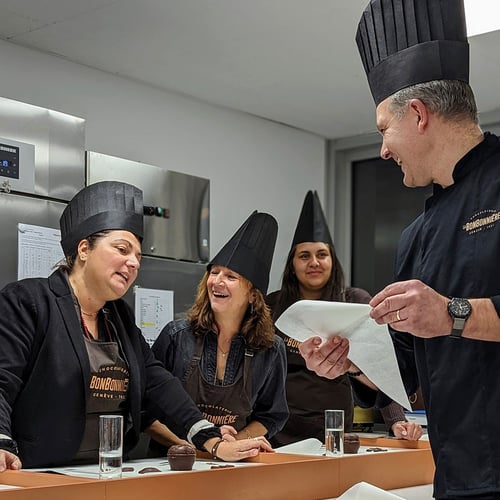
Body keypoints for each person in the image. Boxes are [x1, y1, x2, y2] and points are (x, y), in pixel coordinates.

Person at [300, 0, 500, 498]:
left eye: (383, 129)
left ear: (418, 114)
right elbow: (407, 368)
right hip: (458, 478)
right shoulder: (416, 236)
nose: (383, 150)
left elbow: (446, 318)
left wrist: (452, 314)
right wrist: (352, 362)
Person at [0, 181, 271, 472]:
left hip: (110, 469)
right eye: (122, 249)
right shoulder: (29, 301)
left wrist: (210, 437)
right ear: (84, 249)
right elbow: (3, 379)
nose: (133, 263)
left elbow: (157, 382)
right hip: (40, 471)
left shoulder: (119, 316)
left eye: (138, 257)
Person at [266, 190, 422, 447]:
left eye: (321, 254)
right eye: (304, 256)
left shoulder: (354, 302)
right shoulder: (271, 306)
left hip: (333, 429)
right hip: (277, 432)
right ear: (292, 265)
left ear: (332, 261)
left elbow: (379, 362)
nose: (314, 262)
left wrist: (396, 420)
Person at [147, 211, 288, 451]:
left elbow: (271, 415)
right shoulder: (176, 336)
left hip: (234, 463)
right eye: (214, 273)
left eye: (231, 276)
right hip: (172, 460)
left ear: (253, 295)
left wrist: (234, 443)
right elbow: (145, 408)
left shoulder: (271, 349)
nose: (217, 281)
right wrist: (193, 446)